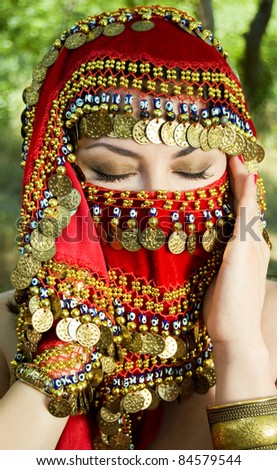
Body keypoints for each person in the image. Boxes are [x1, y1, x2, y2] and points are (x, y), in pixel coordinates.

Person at [0, 4, 276, 451]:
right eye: (110, 171)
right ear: (55, 177)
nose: (156, 207)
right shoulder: (6, 329)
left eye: (192, 171)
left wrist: (238, 343)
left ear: (235, 176)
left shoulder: (271, 322)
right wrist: (63, 352)